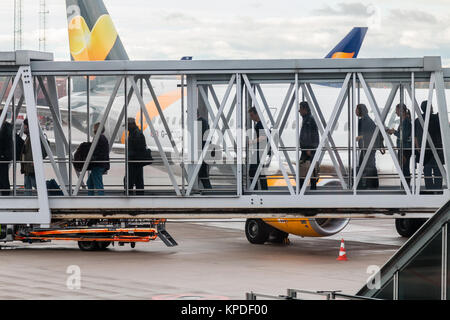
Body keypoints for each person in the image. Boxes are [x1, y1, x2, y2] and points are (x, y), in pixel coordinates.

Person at [414, 101, 443, 191]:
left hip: (424, 149)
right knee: (438, 169)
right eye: (431, 106)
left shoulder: (417, 120)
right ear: (429, 108)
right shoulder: (436, 118)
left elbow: (415, 136)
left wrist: (418, 147)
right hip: (437, 148)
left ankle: (429, 188)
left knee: (427, 169)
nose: (432, 107)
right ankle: (438, 188)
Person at [355, 104, 385, 189]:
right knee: (368, 166)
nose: (355, 111)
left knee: (367, 166)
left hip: (368, 147)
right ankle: (371, 185)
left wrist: (361, 137)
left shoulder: (366, 120)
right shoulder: (365, 119)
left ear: (361, 110)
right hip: (367, 147)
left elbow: (371, 134)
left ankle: (368, 185)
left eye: (356, 109)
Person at [387, 104, 412, 187]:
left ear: (401, 111)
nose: (395, 112)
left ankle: (406, 185)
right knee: (404, 167)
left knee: (404, 168)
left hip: (404, 148)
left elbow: (404, 136)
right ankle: (405, 185)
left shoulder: (406, 122)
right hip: (404, 148)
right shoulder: (405, 121)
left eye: (397, 110)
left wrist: (394, 132)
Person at [299, 101, 319, 190]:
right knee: (310, 169)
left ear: (305, 109)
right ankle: (309, 187)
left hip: (308, 149)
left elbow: (311, 135)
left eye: (300, 109)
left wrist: (308, 148)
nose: (299, 111)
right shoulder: (307, 119)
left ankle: (302, 189)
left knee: (305, 168)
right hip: (307, 149)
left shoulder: (309, 120)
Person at [87, 122, 110, 196]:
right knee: (90, 182)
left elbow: (96, 151)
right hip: (99, 164)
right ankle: (91, 197)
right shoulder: (103, 138)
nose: (93, 130)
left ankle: (101, 199)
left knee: (98, 184)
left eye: (94, 129)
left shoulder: (98, 138)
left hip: (98, 165)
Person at [248, 107, 268, 190]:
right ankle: (264, 189)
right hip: (261, 151)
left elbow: (263, 137)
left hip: (259, 151)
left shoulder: (260, 124)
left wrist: (252, 142)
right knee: (260, 172)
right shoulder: (260, 124)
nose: (251, 118)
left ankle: (254, 190)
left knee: (252, 171)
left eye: (252, 115)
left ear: (257, 114)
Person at [127, 118, 147, 195]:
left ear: (132, 124)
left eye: (128, 125)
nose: (127, 128)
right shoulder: (135, 133)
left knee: (131, 180)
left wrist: (131, 156)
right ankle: (139, 195)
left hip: (135, 161)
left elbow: (139, 148)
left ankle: (130, 195)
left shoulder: (136, 134)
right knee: (138, 180)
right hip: (136, 161)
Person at [20, 119, 36, 195]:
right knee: (27, 184)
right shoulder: (28, 137)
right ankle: (27, 199)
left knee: (35, 183)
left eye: (25, 125)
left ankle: (51, 188)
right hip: (26, 166)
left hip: (30, 165)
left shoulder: (32, 137)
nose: (24, 127)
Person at [0, 107, 13, 196]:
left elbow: (6, 140)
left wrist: (4, 155)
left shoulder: (7, 127)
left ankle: (5, 193)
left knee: (4, 177)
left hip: (3, 157)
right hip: (3, 156)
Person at [197, 112, 212, 189]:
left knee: (202, 172)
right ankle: (208, 189)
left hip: (202, 151)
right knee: (202, 172)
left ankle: (208, 189)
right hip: (206, 150)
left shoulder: (200, 122)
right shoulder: (204, 121)